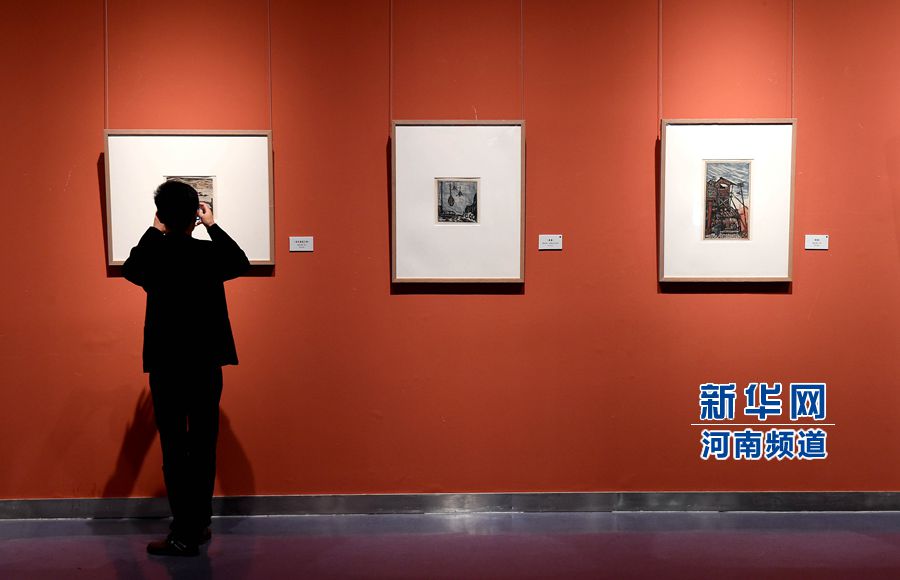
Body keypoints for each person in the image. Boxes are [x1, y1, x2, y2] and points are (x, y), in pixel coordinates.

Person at [123, 180, 250, 556]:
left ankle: (183, 531)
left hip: (167, 365)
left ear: (161, 215)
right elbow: (239, 261)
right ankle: (198, 523)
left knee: (176, 448)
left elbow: (131, 267)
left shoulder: (155, 256)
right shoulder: (208, 254)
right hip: (206, 363)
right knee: (204, 444)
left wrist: (155, 229)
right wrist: (212, 225)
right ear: (195, 214)